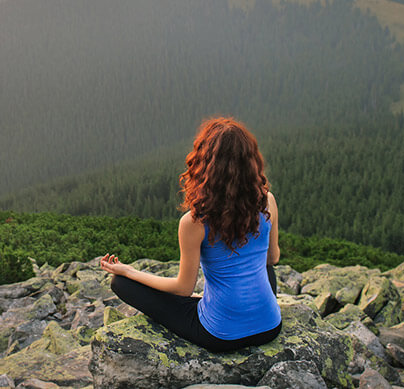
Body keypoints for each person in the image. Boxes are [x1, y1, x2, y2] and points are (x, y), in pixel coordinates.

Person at [99, 117, 281, 353]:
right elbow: (272, 259)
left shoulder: (194, 222)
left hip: (220, 336)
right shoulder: (267, 201)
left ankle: (222, 310)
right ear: (251, 162)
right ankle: (249, 310)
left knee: (121, 283)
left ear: (204, 164)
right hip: (269, 327)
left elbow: (183, 289)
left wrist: (130, 271)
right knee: (262, 268)